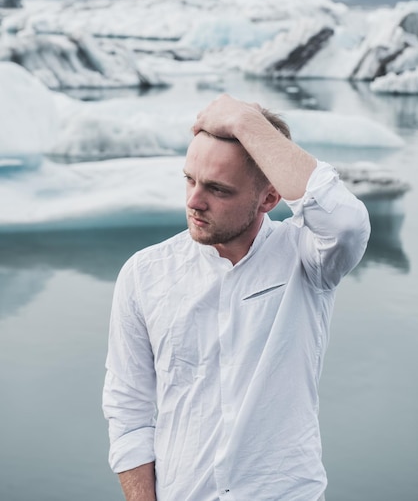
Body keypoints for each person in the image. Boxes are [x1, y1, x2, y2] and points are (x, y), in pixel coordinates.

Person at [103, 94, 370, 501]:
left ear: (268, 198)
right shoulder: (144, 275)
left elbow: (346, 223)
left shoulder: (308, 259)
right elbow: (128, 412)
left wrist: (245, 120)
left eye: (217, 189)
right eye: (189, 179)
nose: (193, 201)